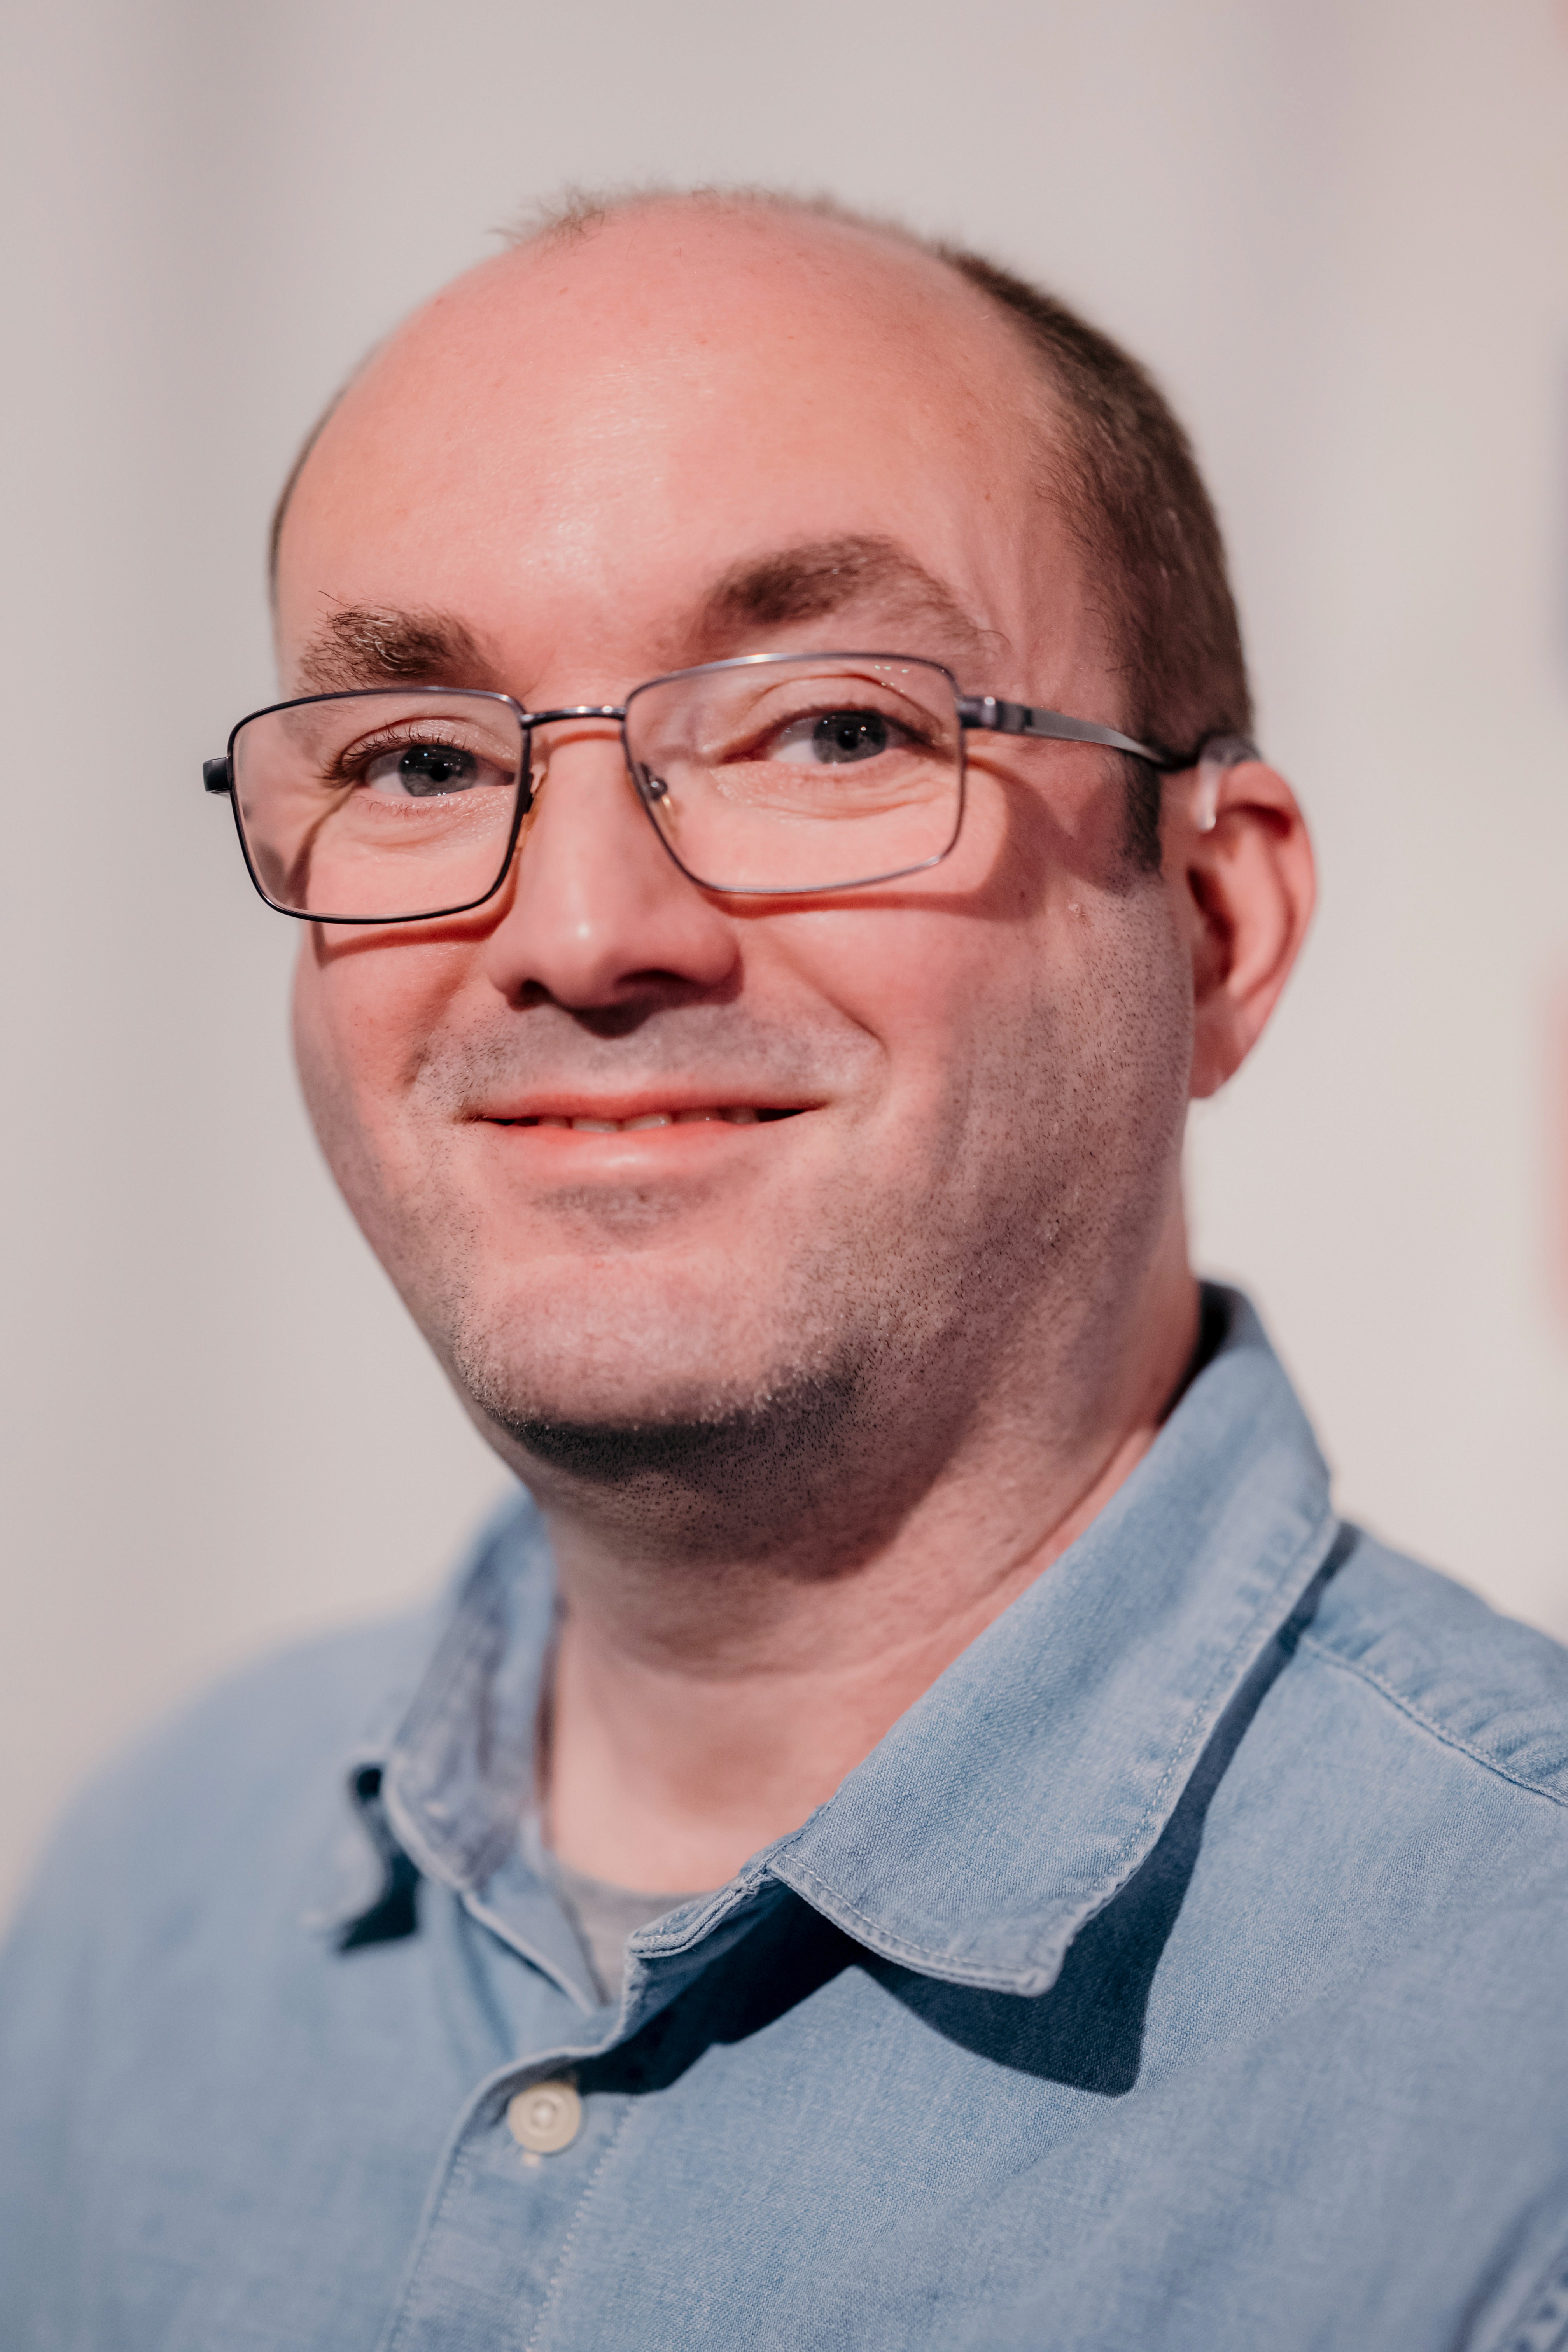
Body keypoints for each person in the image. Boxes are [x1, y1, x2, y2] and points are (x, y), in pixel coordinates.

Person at [3, 187, 1566, 2352]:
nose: (579, 932)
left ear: (1216, 927)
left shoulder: (1527, 2052)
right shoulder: (142, 1899)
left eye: (833, 730)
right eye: (421, 761)